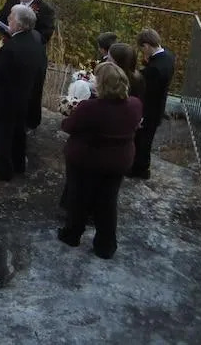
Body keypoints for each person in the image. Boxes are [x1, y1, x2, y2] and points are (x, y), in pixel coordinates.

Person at [58, 62, 143, 259]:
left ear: (102, 85)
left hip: (87, 160)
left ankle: (72, 234)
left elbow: (69, 126)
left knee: (78, 198)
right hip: (119, 162)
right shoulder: (135, 104)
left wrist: (67, 115)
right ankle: (106, 245)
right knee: (108, 202)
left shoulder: (90, 107)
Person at [0, 3, 46, 181]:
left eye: (11, 17)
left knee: (0, 135)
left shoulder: (11, 48)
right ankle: (18, 164)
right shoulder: (35, 37)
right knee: (18, 133)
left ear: (18, 24)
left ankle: (1, 170)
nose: (8, 18)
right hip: (24, 95)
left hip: (4, 99)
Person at [0, 0, 56, 130]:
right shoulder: (12, 1)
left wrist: (23, 35)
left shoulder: (45, 9)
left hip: (31, 54)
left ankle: (28, 122)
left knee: (30, 88)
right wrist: (7, 30)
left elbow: (46, 34)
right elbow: (0, 18)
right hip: (11, 48)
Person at [129, 28, 176, 180]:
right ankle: (140, 167)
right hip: (157, 107)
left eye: (142, 48)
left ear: (147, 45)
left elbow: (147, 92)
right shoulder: (167, 56)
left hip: (150, 109)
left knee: (142, 141)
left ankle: (139, 169)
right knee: (146, 139)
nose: (142, 52)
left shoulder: (154, 69)